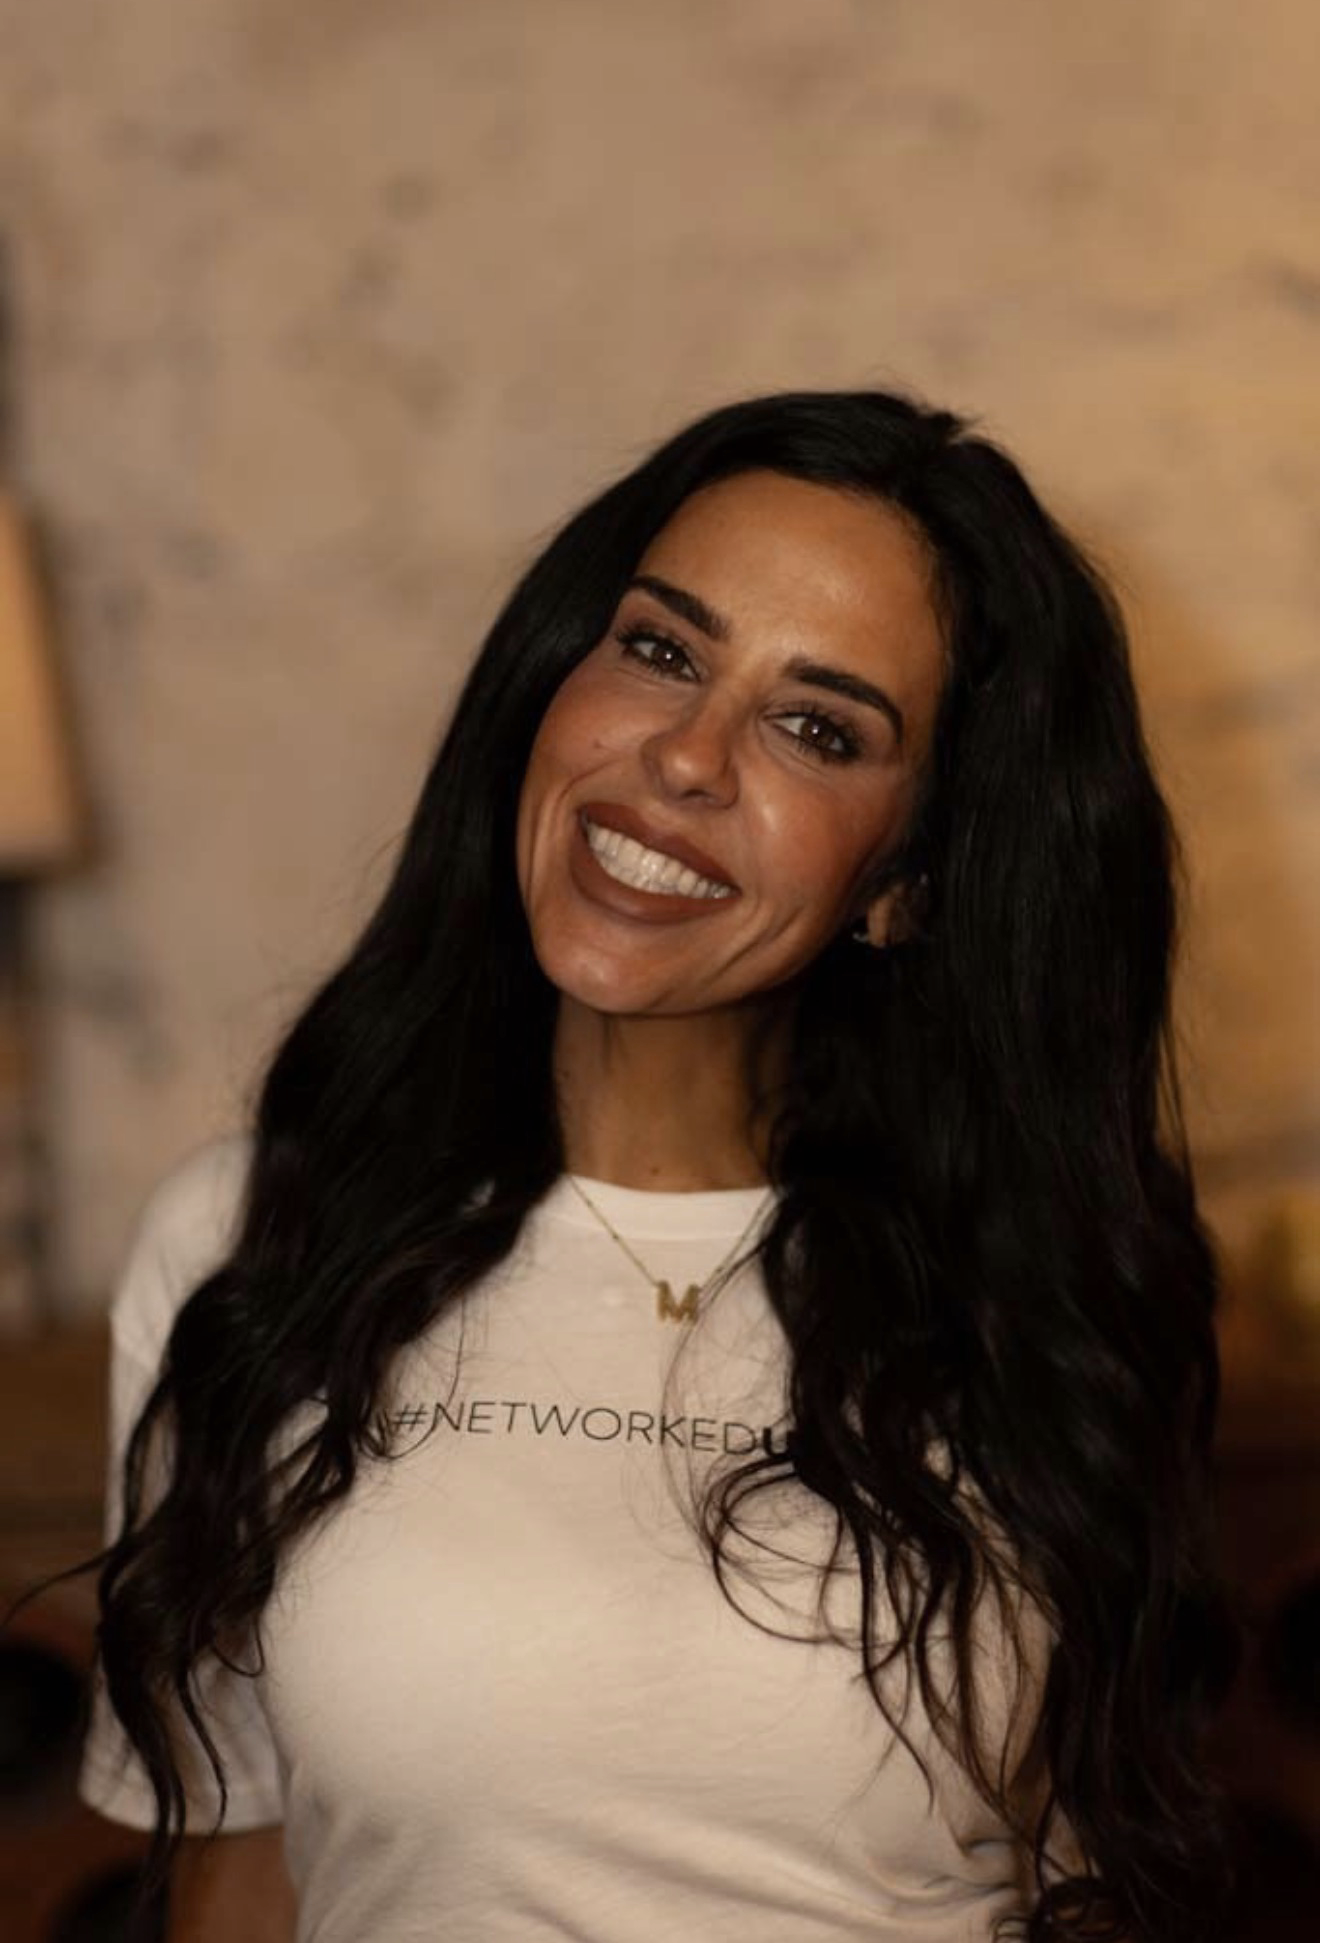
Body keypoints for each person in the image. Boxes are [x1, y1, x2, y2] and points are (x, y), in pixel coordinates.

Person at [78, 389, 1235, 1942]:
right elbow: (238, 1870)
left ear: (911, 871)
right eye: (661, 649)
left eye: (818, 726)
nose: (686, 756)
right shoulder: (253, 1242)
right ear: (552, 680)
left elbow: (1084, 1871)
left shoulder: (1044, 1275)